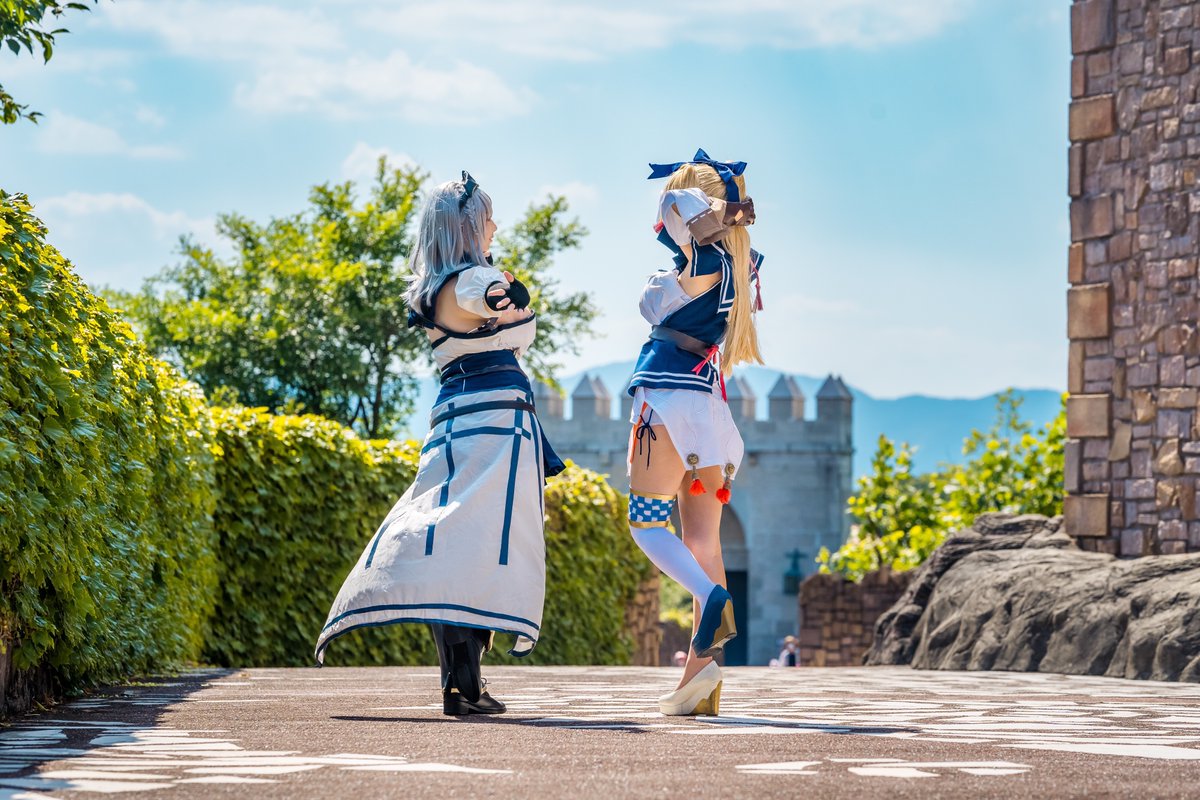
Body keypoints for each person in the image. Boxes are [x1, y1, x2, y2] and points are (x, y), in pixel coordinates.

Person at [315, 172, 564, 716]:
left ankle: (462, 683)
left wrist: (501, 293)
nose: (496, 225)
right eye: (488, 217)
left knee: (447, 543)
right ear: (469, 227)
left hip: (457, 419)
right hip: (494, 423)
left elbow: (484, 301)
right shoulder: (474, 279)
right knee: (483, 546)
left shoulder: (434, 286)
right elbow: (488, 296)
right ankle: (463, 682)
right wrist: (505, 292)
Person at [628, 149, 765, 716]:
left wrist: (703, 203)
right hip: (708, 406)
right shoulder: (739, 265)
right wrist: (728, 208)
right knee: (704, 540)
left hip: (666, 400)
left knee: (645, 524)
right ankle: (701, 677)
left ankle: (710, 597)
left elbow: (675, 208)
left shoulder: (702, 262)